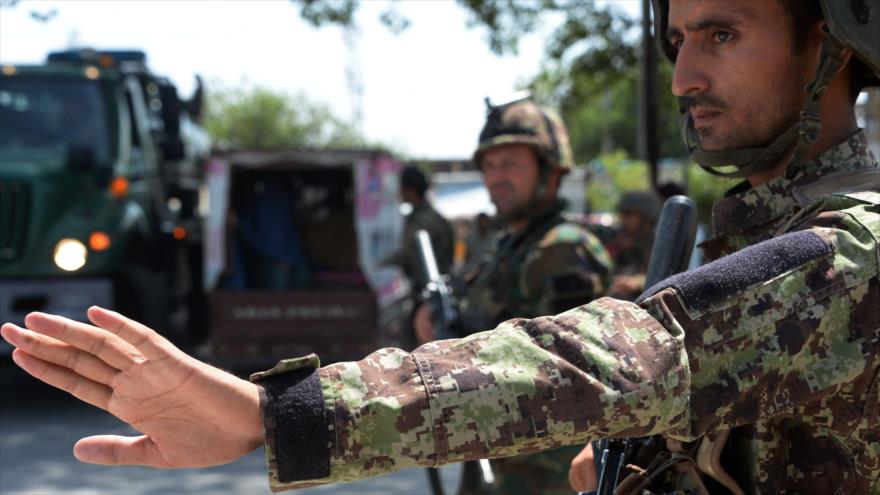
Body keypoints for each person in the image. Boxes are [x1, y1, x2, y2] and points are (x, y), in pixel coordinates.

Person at [0, 1, 878, 494]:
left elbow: (632, 352)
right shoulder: (760, 228)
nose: (685, 75)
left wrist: (280, 415)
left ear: (834, 38)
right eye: (679, 40)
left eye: (723, 33)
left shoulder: (854, 245)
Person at [414, 97, 613, 494]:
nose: (495, 177)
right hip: (499, 454)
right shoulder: (507, 246)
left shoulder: (562, 250)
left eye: (510, 164)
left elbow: (565, 372)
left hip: (547, 470)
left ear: (551, 172)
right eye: (488, 166)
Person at [385, 165, 455, 292]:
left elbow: (410, 256)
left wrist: (382, 264)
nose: (399, 191)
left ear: (410, 190)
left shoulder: (423, 221)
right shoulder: (429, 216)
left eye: (401, 186)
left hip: (431, 293)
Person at [607, 190, 662, 300]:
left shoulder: (659, 245)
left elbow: (665, 277)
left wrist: (637, 282)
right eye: (622, 214)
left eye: (628, 214)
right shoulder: (620, 239)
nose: (623, 219)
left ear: (645, 218)